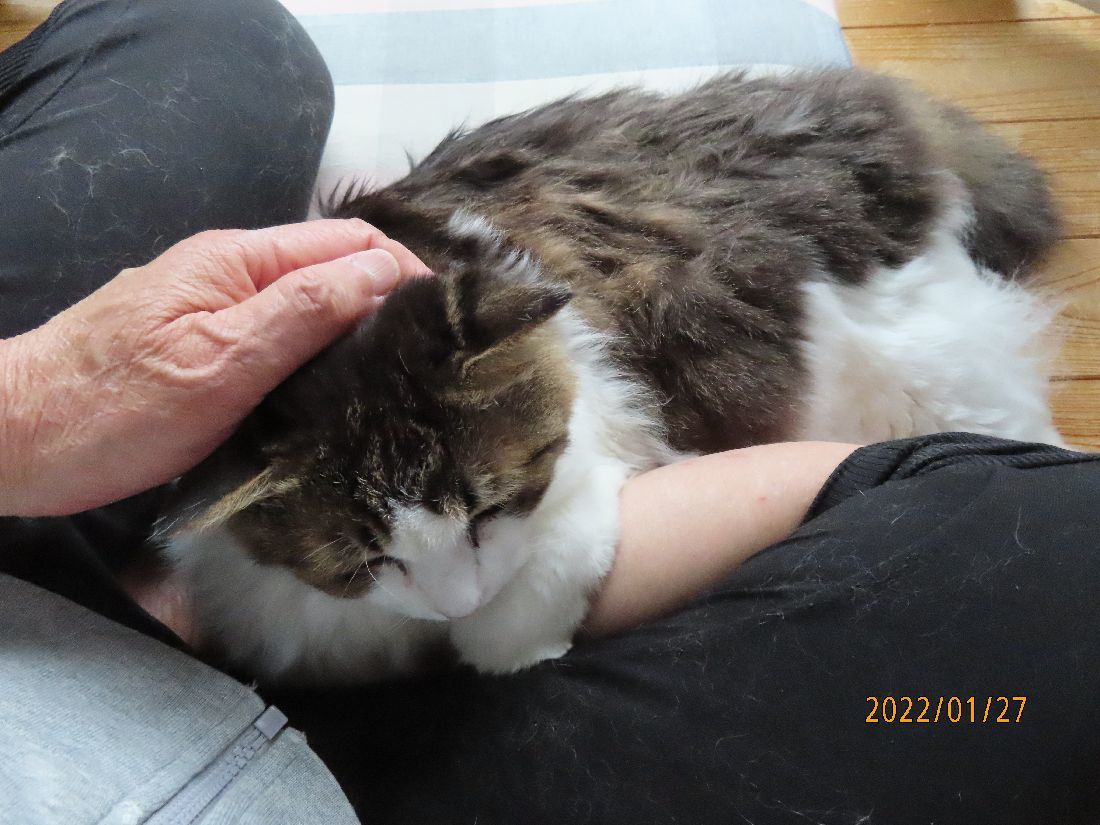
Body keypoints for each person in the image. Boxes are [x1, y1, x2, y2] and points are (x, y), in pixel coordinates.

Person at [1, 1, 1098, 823]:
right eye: (380, 565)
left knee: (207, 19)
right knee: (1058, 558)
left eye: (482, 528)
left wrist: (30, 403)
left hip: (39, 490)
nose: (456, 596)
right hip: (265, 776)